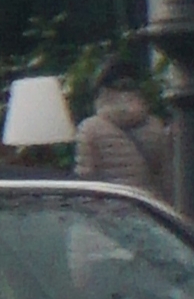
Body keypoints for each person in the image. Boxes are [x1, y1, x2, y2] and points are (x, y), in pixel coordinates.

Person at [72, 62, 173, 203]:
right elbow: (168, 178)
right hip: (149, 208)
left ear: (101, 91)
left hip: (111, 209)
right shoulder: (155, 126)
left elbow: (86, 179)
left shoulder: (90, 129)